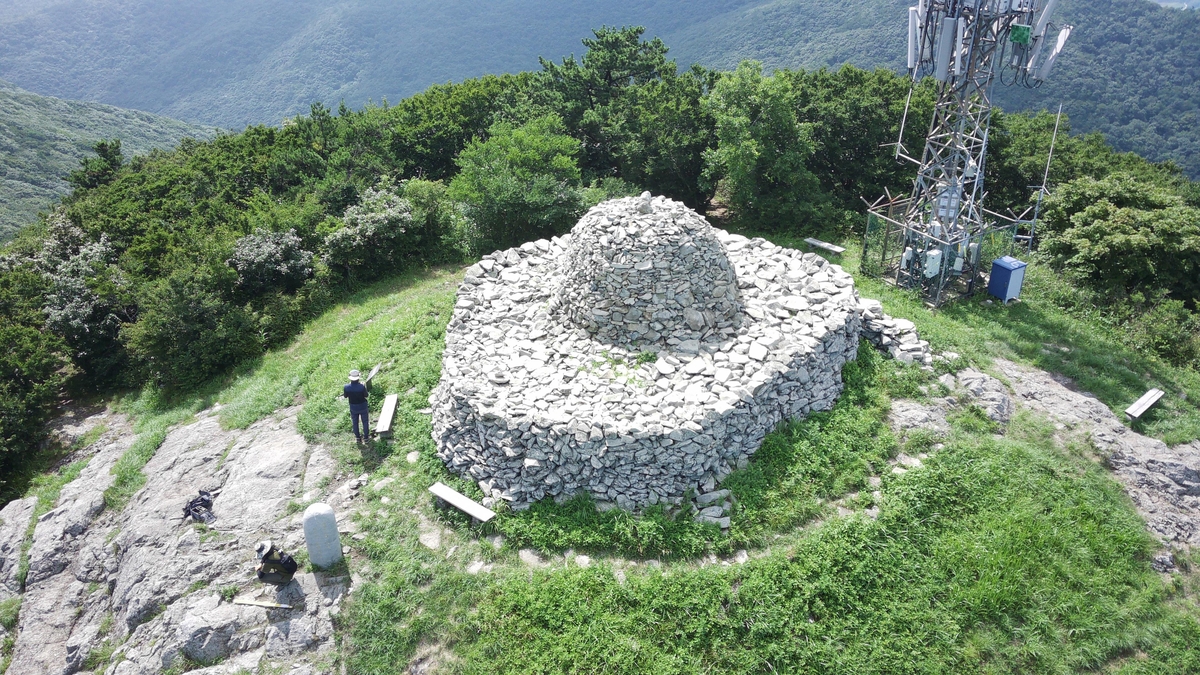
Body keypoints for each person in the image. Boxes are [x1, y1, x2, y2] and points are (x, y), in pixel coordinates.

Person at [343, 369, 370, 443]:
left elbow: (345, 396)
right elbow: (366, 395)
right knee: (365, 421)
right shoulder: (361, 386)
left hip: (353, 407)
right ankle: (366, 438)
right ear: (358, 377)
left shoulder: (346, 387)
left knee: (355, 422)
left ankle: (358, 438)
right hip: (363, 406)